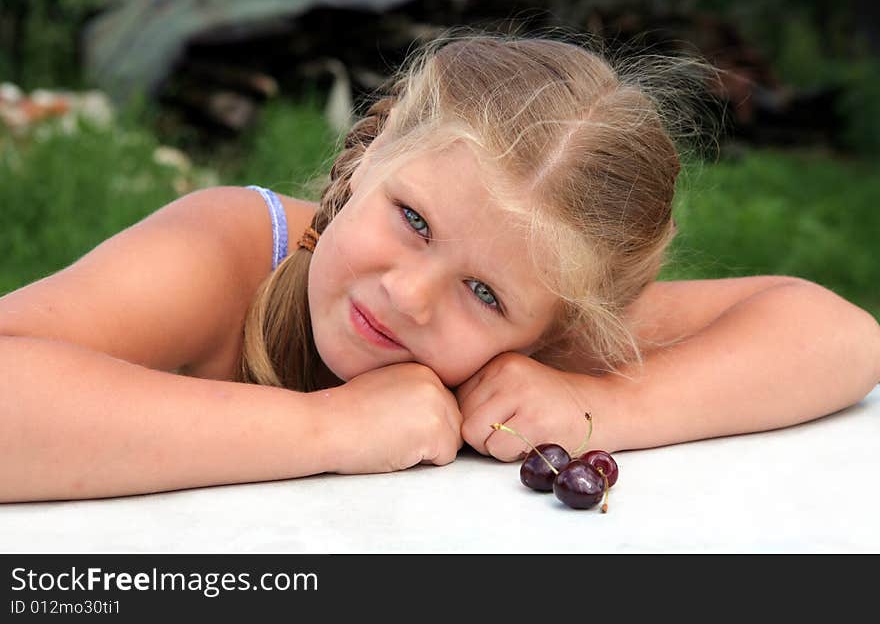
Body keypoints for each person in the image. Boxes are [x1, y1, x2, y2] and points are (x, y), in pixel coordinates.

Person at [1, 32, 878, 503]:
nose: (411, 294)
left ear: (557, 327)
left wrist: (607, 403)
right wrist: (333, 431)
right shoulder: (232, 247)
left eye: (486, 293)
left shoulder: (544, 345)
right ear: (370, 153)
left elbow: (841, 335)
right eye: (412, 219)